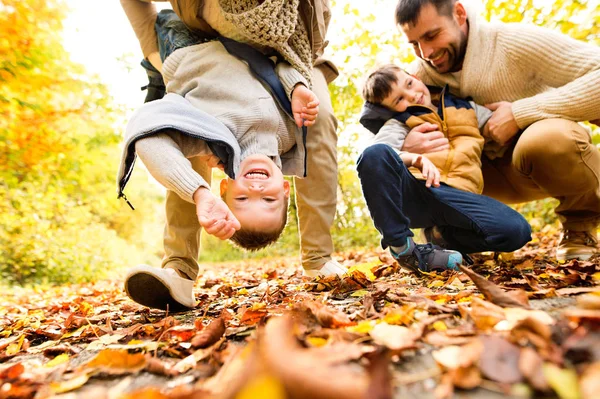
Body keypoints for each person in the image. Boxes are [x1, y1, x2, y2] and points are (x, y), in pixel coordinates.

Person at [117, 0, 346, 311]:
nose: (256, 191)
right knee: (318, 120)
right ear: (283, 189)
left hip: (183, 47)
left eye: (242, 200)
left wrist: (199, 193)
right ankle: (181, 268)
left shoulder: (212, 145)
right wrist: (297, 89)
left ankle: (178, 271)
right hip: (242, 43)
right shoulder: (292, 134)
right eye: (268, 200)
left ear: (224, 189)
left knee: (142, 14)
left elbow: (148, 135)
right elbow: (276, 68)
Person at [393, 0, 600, 261]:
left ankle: (580, 226)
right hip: (481, 178)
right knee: (398, 163)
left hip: (542, 161)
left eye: (432, 35)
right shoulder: (418, 78)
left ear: (459, 14)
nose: (426, 52)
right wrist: (406, 147)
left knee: (547, 141)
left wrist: (520, 113)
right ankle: (451, 235)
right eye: (414, 44)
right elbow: (377, 139)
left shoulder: (513, 41)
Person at [357, 63, 531, 273]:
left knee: (517, 231)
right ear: (390, 109)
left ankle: (442, 238)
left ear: (416, 77)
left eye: (409, 84)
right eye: (399, 100)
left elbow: (500, 126)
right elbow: (379, 153)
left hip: (460, 198)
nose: (411, 96)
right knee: (374, 154)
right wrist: (414, 158)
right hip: (418, 191)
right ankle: (403, 248)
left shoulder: (466, 108)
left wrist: (513, 110)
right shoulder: (400, 122)